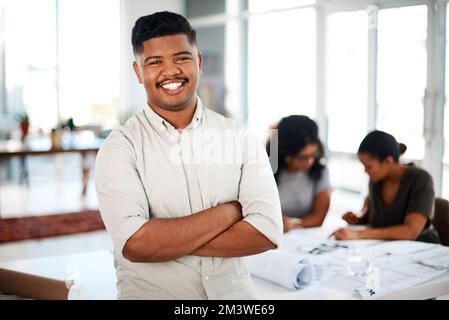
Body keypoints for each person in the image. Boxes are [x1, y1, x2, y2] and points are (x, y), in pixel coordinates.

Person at [94, 11, 282, 299]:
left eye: (181, 58)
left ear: (199, 61)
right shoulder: (120, 147)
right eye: (155, 62)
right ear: (138, 72)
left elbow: (266, 231)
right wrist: (229, 212)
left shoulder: (239, 137)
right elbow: (135, 244)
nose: (171, 71)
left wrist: (166, 242)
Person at [333, 130, 440, 243]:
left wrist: (358, 234)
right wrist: (358, 219)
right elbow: (374, 218)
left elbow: (411, 231)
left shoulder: (420, 179)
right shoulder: (376, 180)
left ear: (388, 161)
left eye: (368, 167)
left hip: (421, 249)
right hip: (385, 250)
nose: (365, 171)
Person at [267, 115, 331, 232]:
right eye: (303, 157)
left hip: (302, 237)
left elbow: (318, 218)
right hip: (270, 233)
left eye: (313, 155)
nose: (310, 162)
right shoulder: (266, 171)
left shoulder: (320, 171)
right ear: (286, 153)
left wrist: (292, 224)